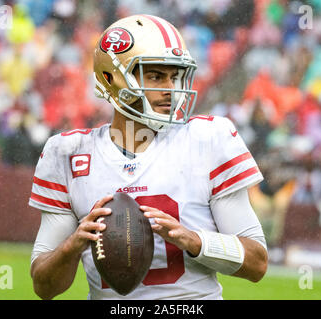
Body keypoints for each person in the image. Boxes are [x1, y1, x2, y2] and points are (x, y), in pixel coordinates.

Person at [29, 14, 268, 300]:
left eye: (174, 76)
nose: (170, 89)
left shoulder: (207, 139)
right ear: (111, 78)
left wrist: (192, 240)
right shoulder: (68, 152)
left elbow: (256, 262)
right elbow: (44, 288)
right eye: (155, 76)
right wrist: (73, 245)